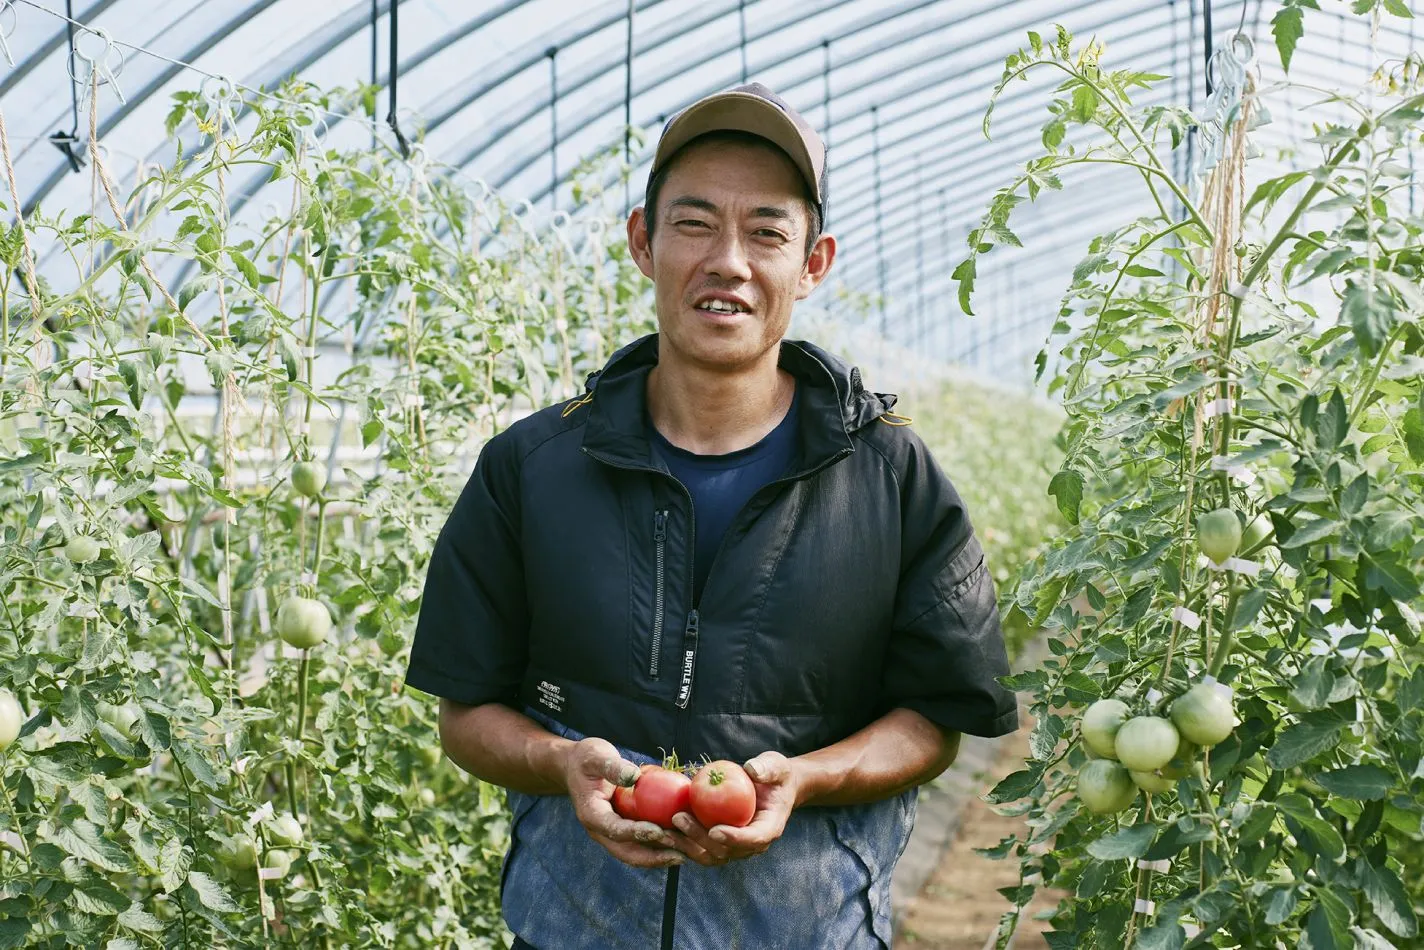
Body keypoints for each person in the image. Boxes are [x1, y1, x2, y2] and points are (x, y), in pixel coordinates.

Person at [406, 82, 1018, 950]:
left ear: (813, 263)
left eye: (767, 231)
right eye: (694, 223)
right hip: (571, 929)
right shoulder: (532, 468)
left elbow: (933, 717)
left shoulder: (890, 475)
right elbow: (465, 709)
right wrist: (560, 762)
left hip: (807, 932)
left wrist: (804, 778)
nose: (728, 260)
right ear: (642, 242)